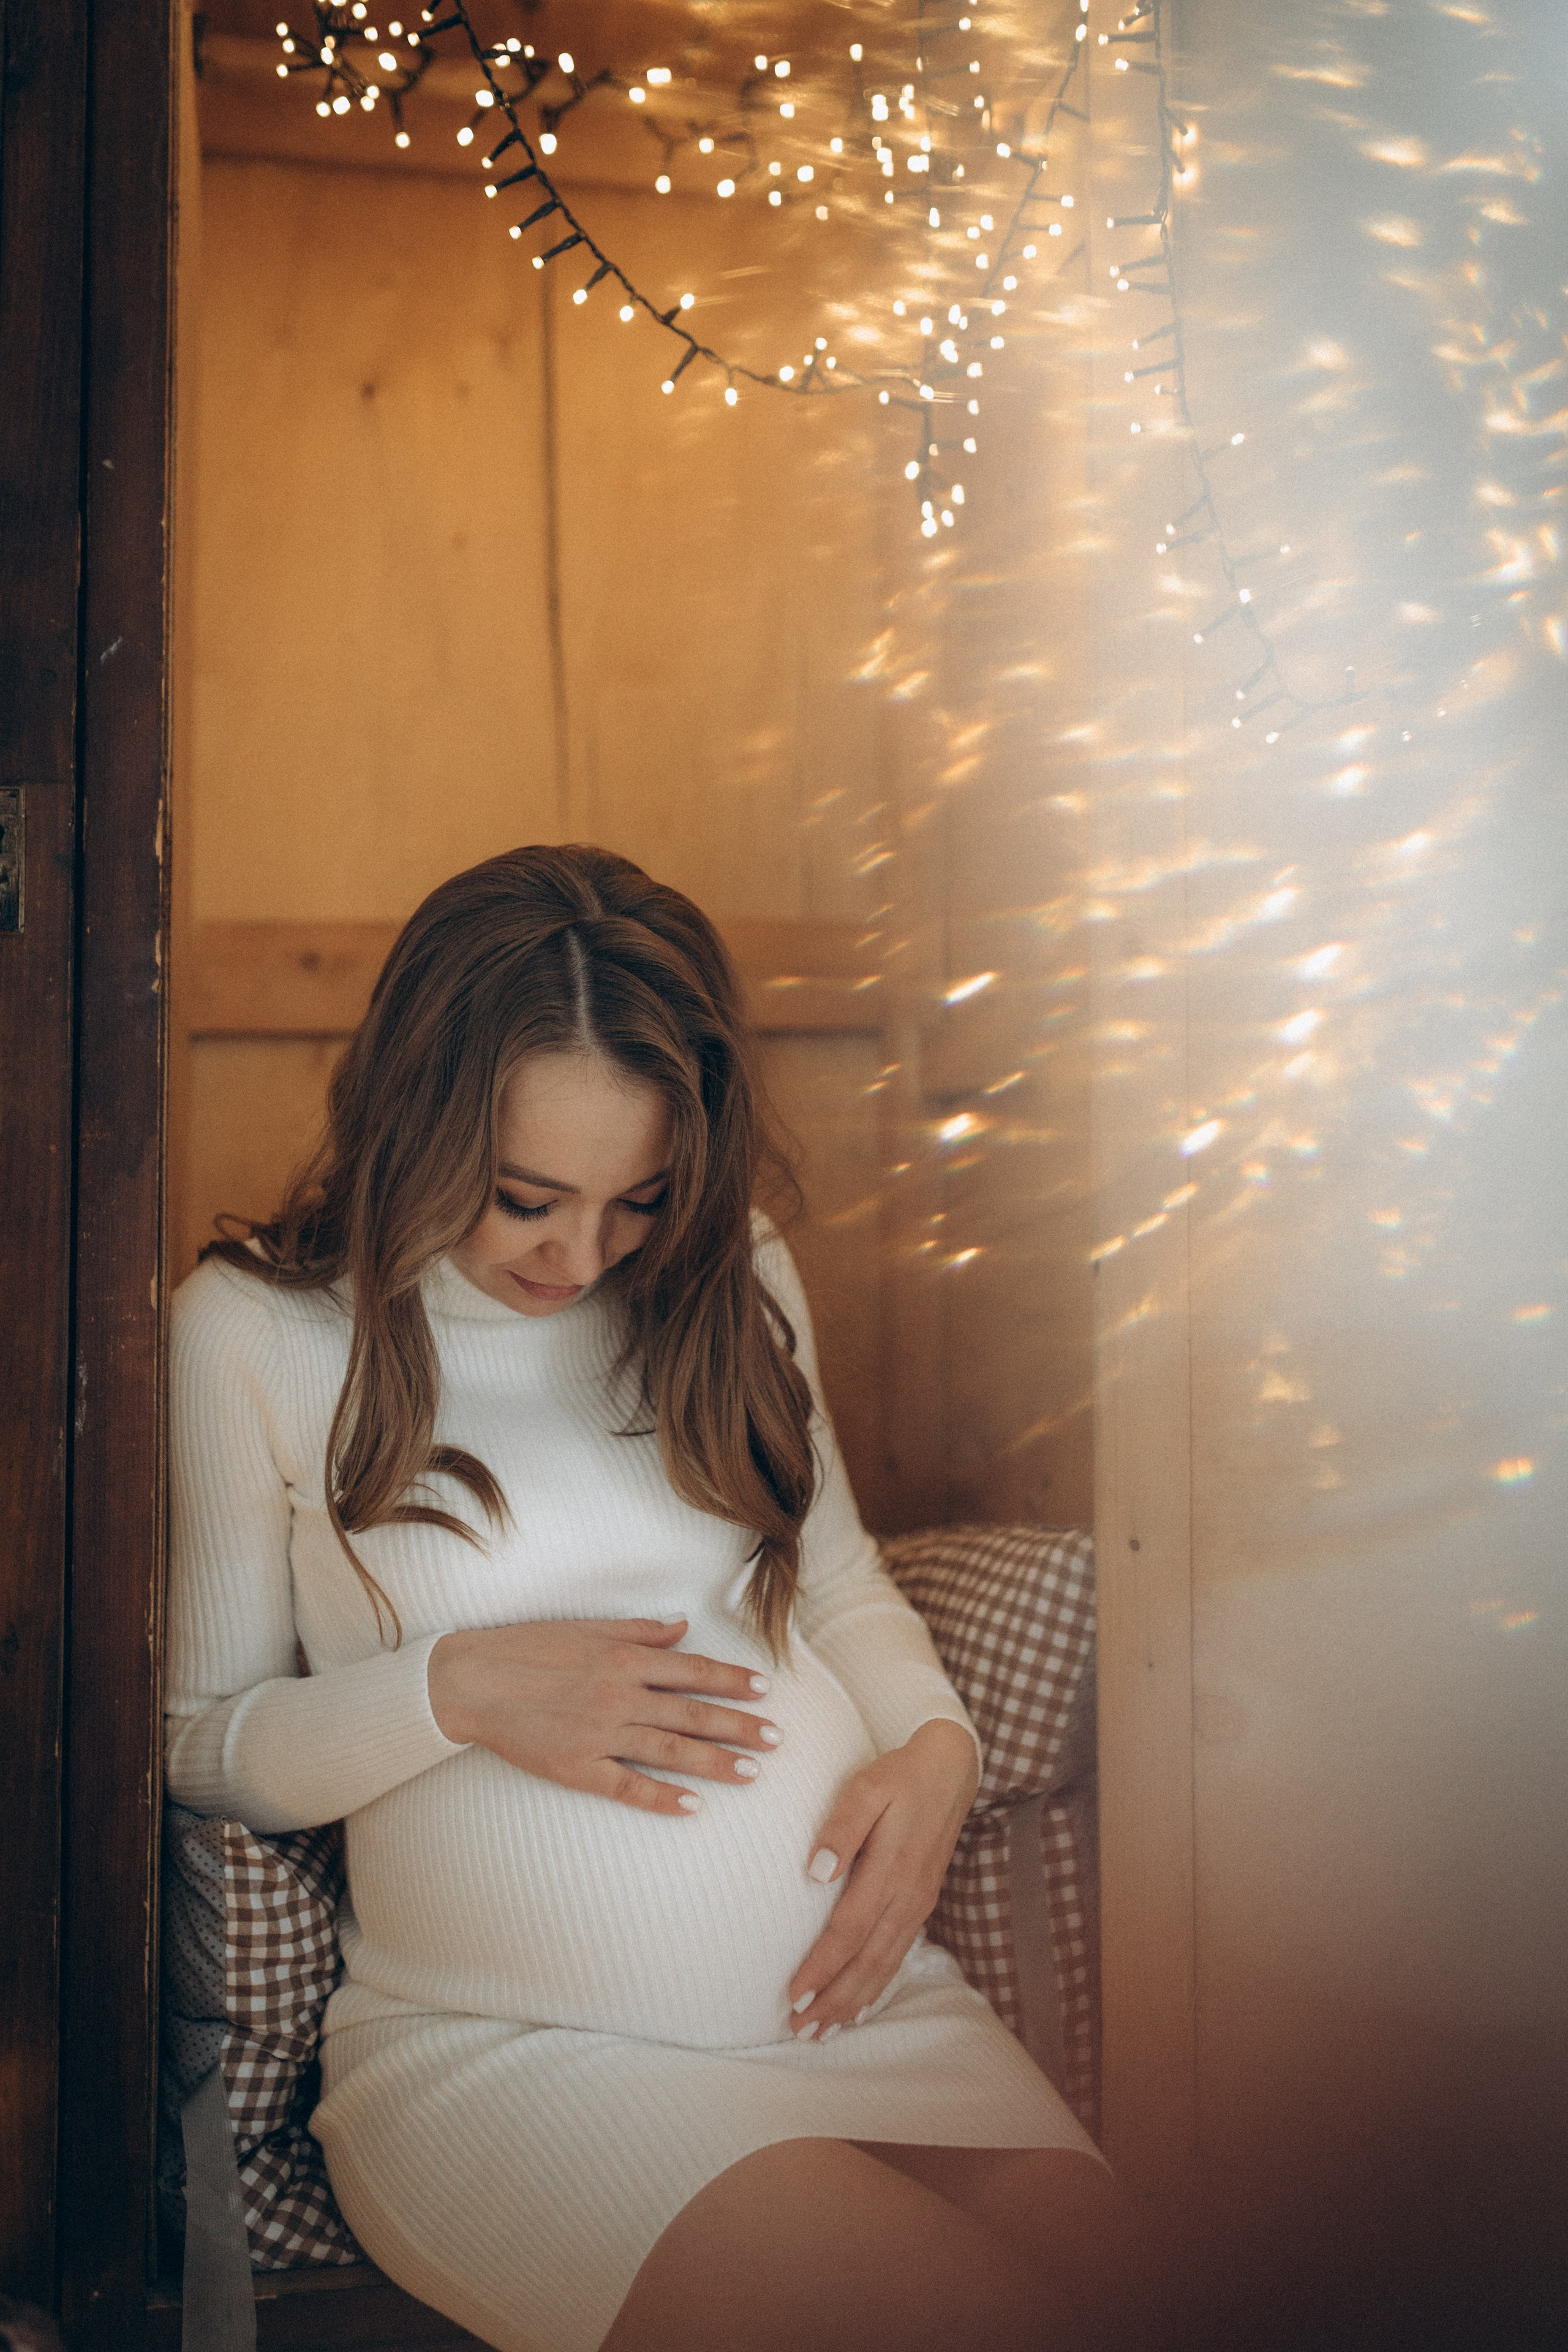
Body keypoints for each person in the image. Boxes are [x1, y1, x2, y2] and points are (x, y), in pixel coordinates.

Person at [165, 844, 1126, 2352]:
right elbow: (200, 1741)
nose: (579, 1255)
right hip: (522, 2061)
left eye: (637, 1200)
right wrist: (453, 1690)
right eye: (526, 1198)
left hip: (864, 2019)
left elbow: (843, 1581)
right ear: (416, 1117)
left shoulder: (728, 1266)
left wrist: (937, 1754)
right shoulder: (259, 1329)